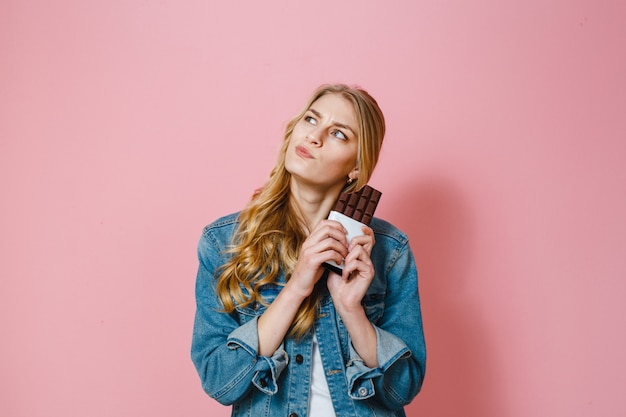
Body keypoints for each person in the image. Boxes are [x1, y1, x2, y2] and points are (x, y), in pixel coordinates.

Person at [191, 84, 426, 417]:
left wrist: (351, 309)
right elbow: (219, 380)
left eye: (339, 134)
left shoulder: (390, 250)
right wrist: (297, 286)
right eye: (311, 120)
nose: (315, 137)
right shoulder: (224, 242)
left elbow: (403, 388)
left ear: (356, 167)